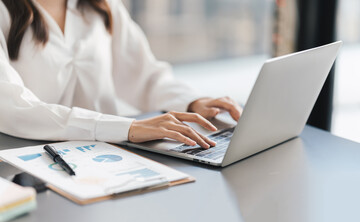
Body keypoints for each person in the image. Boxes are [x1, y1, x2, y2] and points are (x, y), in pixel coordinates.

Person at [0, 0, 242, 149]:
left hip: (109, 157)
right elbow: (12, 106)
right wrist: (126, 128)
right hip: (29, 165)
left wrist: (192, 102)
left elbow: (144, 75)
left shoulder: (101, 5)